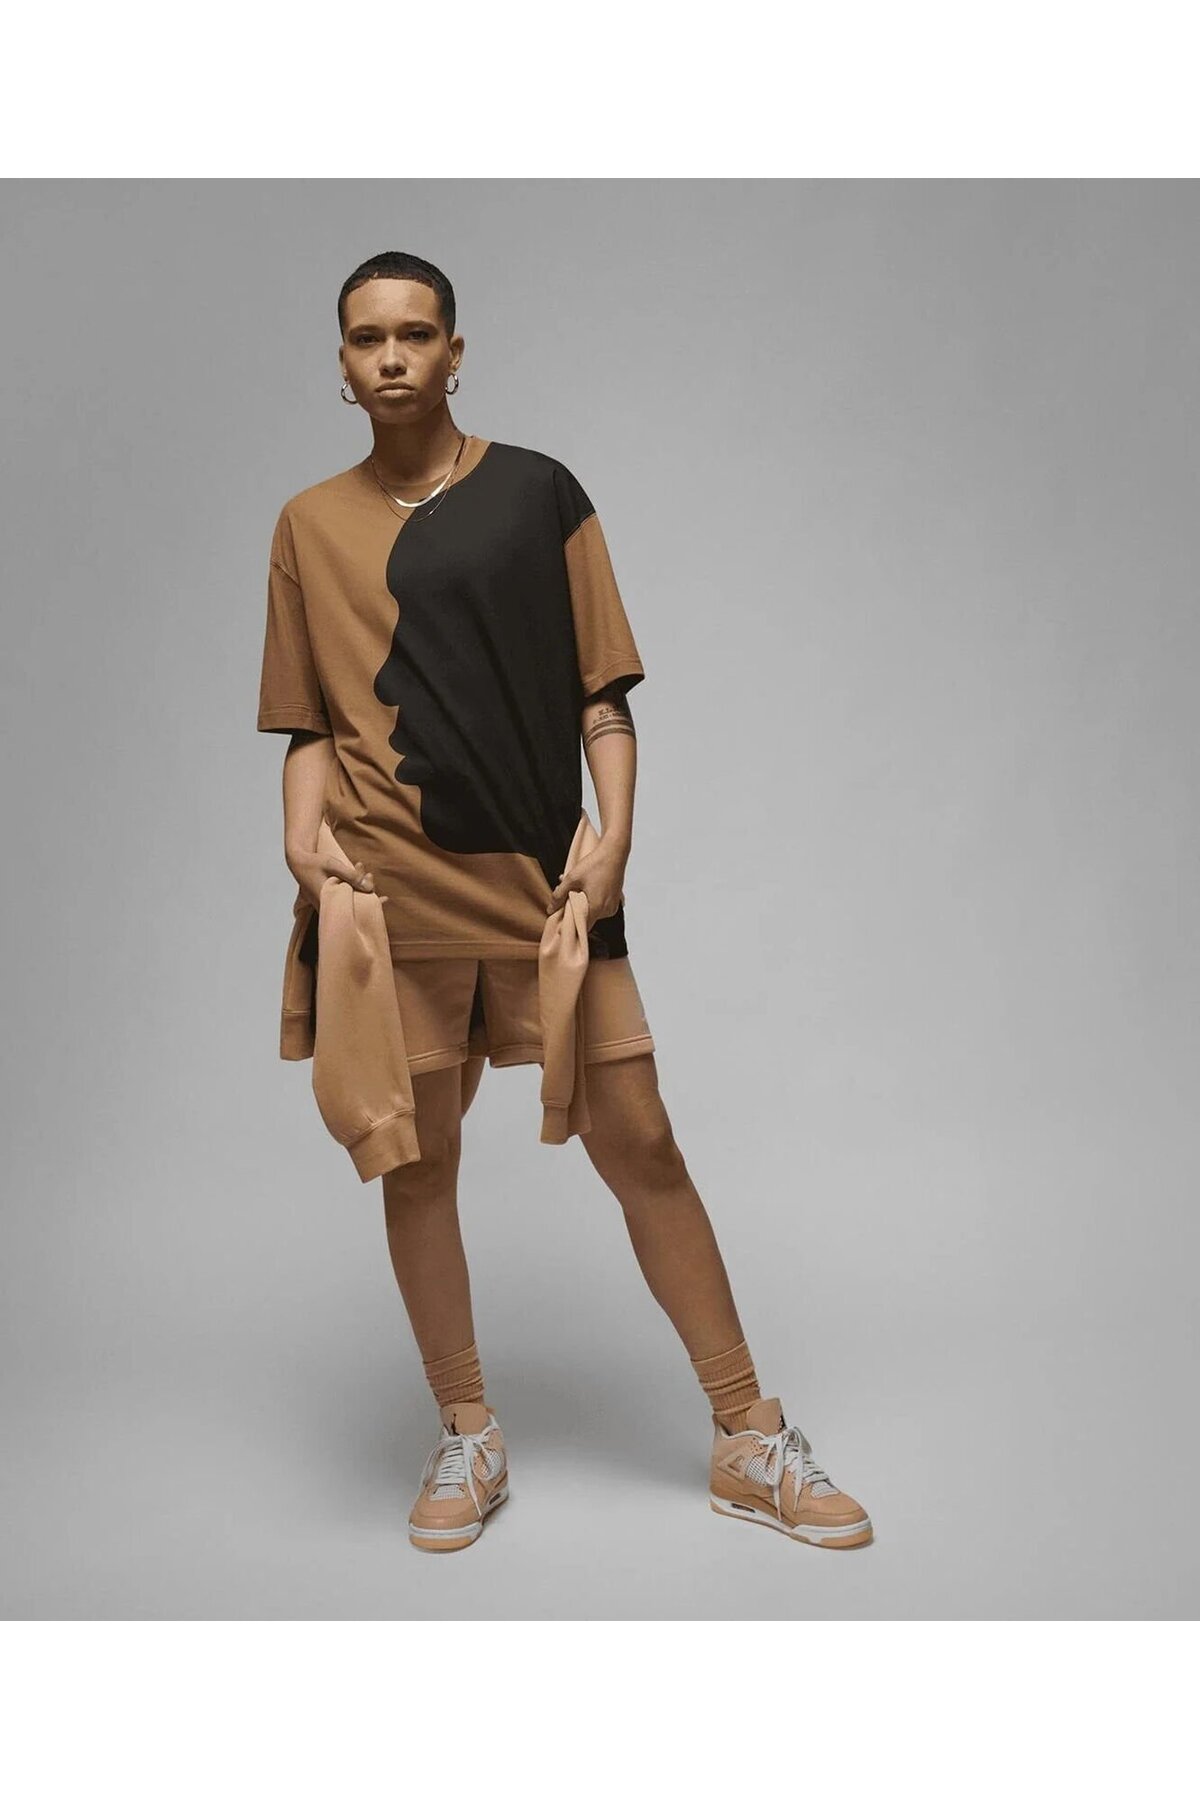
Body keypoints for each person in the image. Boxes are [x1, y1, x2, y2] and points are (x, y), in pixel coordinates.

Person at [257, 249, 873, 1555]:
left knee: (641, 1143)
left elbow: (603, 697)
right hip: (387, 896)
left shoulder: (541, 494)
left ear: (457, 351)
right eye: (367, 337)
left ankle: (747, 1435)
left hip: (546, 886)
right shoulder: (307, 525)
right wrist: (301, 843)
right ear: (341, 365)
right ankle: (467, 1429)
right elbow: (306, 722)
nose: (392, 356)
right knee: (419, 1163)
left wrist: (619, 838)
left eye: (417, 332)